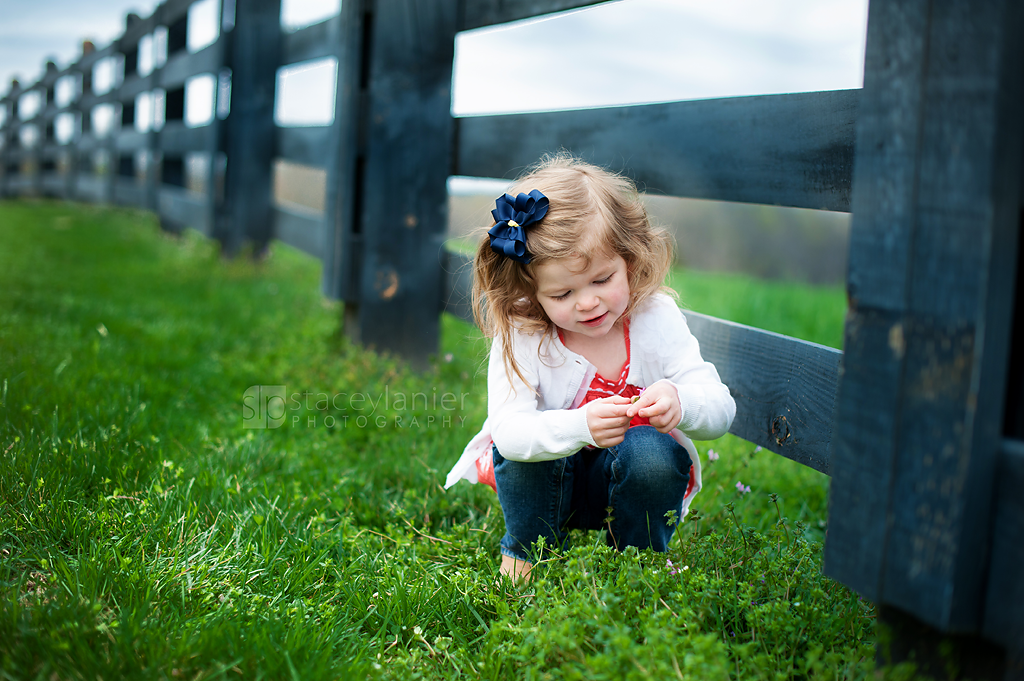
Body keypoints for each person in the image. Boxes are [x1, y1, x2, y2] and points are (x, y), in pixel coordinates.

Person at [444, 154, 736, 581]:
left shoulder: (656, 318)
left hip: (624, 481)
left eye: (602, 280)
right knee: (528, 448)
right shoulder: (524, 332)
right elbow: (508, 433)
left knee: (653, 452)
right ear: (533, 293)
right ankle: (525, 556)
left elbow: (720, 407)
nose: (587, 302)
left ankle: (639, 563)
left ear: (629, 261)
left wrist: (681, 401)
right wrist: (580, 425)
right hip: (545, 483)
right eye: (562, 293)